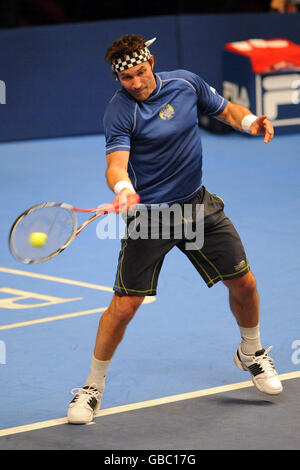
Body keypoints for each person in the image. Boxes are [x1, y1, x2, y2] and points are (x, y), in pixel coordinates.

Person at [67, 34, 282, 424]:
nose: (136, 82)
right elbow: (116, 164)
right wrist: (124, 188)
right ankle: (92, 388)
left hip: (197, 204)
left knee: (245, 282)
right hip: (151, 217)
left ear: (151, 62)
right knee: (125, 305)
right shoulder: (120, 111)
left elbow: (226, 110)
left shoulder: (185, 83)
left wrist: (251, 122)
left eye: (140, 72)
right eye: (127, 77)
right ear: (118, 79)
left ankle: (251, 352)